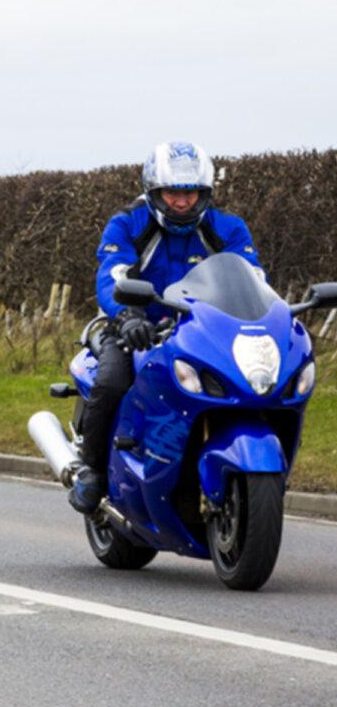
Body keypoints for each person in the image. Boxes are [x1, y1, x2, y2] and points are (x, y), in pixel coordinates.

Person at [69, 141, 265, 514]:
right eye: (172, 192)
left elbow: (252, 278)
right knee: (112, 381)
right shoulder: (128, 224)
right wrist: (127, 317)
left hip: (204, 333)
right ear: (154, 191)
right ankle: (91, 471)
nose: (181, 202)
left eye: (190, 192)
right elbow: (112, 277)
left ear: (203, 192)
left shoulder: (227, 228)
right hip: (133, 327)